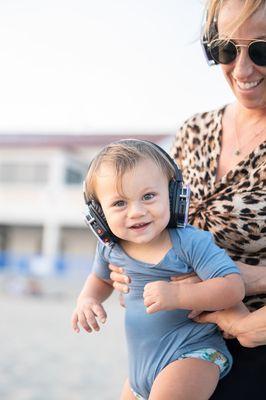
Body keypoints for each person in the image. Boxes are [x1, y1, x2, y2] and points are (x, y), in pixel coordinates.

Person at [109, 0, 266, 399]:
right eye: (227, 50)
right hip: (172, 341)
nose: (242, 70)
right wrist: (126, 262)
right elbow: (156, 225)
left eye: (263, 49)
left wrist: (252, 280)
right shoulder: (193, 130)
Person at [71, 139, 245, 400]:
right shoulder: (110, 248)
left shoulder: (189, 242)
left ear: (173, 195)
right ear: (98, 214)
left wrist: (179, 296)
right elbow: (100, 278)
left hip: (191, 354)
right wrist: (87, 299)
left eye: (149, 196)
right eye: (119, 203)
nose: (137, 212)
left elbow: (233, 287)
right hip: (139, 370)